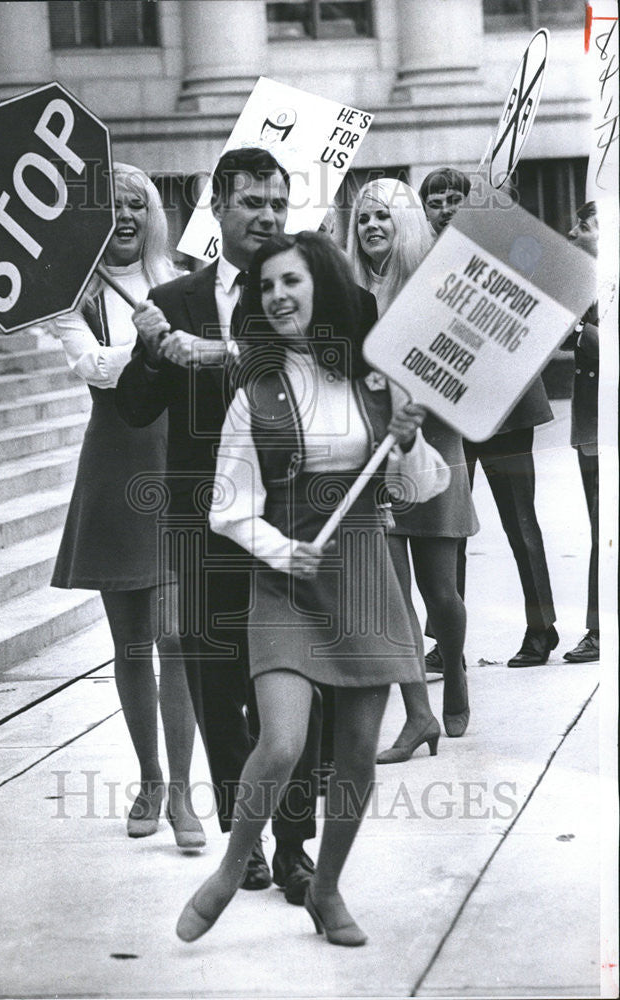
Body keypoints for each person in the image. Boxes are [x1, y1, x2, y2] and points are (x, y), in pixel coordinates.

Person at [175, 231, 449, 946]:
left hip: (361, 575)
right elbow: (226, 508)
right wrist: (280, 548)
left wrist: (411, 440)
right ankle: (233, 868)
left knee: (357, 755)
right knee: (282, 740)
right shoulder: (253, 394)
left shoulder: (373, 379)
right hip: (285, 580)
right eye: (266, 288)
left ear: (319, 285)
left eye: (290, 281)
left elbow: (416, 491)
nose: (278, 297)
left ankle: (327, 890)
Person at [115, 148, 320, 903]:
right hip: (201, 522)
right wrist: (150, 353)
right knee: (215, 677)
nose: (267, 217)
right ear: (218, 207)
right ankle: (248, 836)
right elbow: (138, 407)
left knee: (296, 684)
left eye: (277, 203)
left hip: (291, 518)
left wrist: (218, 353)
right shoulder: (174, 297)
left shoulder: (303, 289)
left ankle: (297, 845)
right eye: (252, 204)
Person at [51, 162, 204, 848]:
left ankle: (182, 790)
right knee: (131, 640)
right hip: (114, 465)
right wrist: (143, 343)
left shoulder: (180, 279)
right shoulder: (72, 295)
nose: (124, 215)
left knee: (176, 636)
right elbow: (90, 367)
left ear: (152, 213)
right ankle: (147, 778)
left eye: (136, 203)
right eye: (110, 205)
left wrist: (177, 335)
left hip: (176, 466)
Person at [347, 176, 476, 742]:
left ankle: (457, 672)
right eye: (363, 219)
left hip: (433, 444)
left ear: (406, 224)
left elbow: (464, 369)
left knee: (440, 592)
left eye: (383, 217)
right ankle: (418, 714)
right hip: (373, 453)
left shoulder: (437, 283)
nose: (371, 226)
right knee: (395, 592)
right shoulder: (347, 290)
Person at [418, 167, 558, 670]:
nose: (446, 207)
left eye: (456, 198)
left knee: (521, 525)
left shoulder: (499, 250)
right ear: (424, 209)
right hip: (449, 417)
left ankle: (541, 629)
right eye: (436, 200)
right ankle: (446, 641)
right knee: (449, 529)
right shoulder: (416, 263)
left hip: (505, 412)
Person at [563, 201, 600, 662]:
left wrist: (577, 327)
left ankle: (598, 629)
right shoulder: (584, 285)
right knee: (601, 528)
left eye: (583, 225)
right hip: (590, 429)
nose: (572, 232)